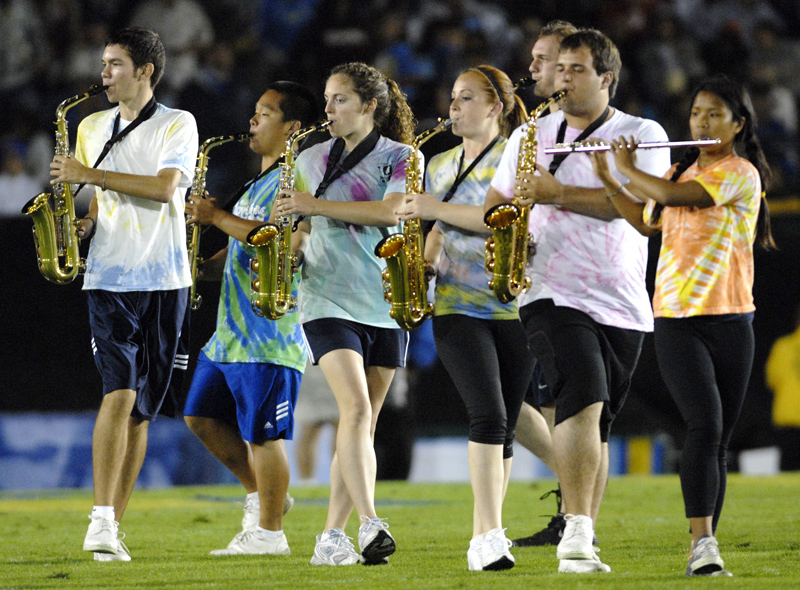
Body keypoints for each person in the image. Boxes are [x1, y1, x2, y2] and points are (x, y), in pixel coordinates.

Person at [484, 28, 671, 574]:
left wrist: (557, 194)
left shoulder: (642, 133)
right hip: (549, 291)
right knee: (582, 393)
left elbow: (638, 209)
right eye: (559, 69)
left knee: (600, 420)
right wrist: (508, 235)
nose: (562, 79)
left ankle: (581, 531)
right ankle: (577, 534)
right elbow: (498, 204)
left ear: (606, 78)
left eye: (576, 70)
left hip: (620, 298)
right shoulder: (530, 136)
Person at [589, 74, 775, 577]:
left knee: (718, 438)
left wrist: (629, 168)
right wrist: (611, 177)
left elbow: (679, 198)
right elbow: (646, 219)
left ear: (738, 124)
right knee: (704, 425)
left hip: (733, 319)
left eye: (714, 114)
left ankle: (704, 543)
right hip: (675, 319)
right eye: (696, 113)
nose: (702, 122)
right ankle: (703, 542)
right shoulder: (676, 171)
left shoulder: (740, 173)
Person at [49, 28, 199, 562]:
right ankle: (100, 517)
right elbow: (98, 205)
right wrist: (84, 226)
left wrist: (89, 175)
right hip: (110, 279)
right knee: (119, 393)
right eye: (104, 63)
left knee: (143, 412)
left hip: (165, 280)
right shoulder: (90, 125)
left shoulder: (178, 123)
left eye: (115, 64)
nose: (104, 73)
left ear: (145, 72)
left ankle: (113, 525)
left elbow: (163, 189)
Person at [274, 61, 416, 566]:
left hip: (384, 299)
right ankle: (371, 521)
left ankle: (330, 537)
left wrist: (314, 206)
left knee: (363, 424)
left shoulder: (403, 157)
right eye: (328, 99)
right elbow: (302, 229)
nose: (328, 109)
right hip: (324, 297)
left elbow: (390, 211)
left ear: (370, 106)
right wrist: (290, 246)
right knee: (353, 410)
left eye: (340, 100)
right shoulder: (309, 158)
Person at [398, 64, 531, 571]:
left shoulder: (516, 158)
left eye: (467, 98)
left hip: (514, 302)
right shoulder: (439, 163)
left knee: (508, 426)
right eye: (452, 98)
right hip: (456, 305)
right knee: (489, 415)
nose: (454, 107)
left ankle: (485, 533)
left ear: (496, 106)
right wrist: (426, 262)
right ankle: (490, 536)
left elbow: (503, 218)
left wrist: (435, 209)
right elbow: (436, 231)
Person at [182, 81, 319, 556]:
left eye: (265, 114)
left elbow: (277, 238)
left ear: (293, 127)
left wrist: (214, 216)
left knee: (263, 436)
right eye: (255, 112)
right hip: (229, 332)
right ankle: (263, 494)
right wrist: (203, 265)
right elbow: (244, 243)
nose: (252, 122)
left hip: (269, 332)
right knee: (199, 416)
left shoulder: (297, 176)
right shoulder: (256, 180)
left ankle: (270, 535)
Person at [511, 18, 579, 550]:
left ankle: (578, 510)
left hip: (578, 287)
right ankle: (572, 506)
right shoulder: (531, 128)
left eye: (543, 59)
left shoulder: (591, 130)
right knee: (529, 401)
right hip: (530, 282)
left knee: (566, 403)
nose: (532, 68)